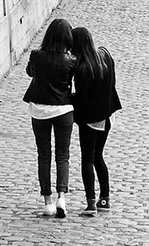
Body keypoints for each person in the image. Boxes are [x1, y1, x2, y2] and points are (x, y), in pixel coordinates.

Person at [23, 18, 79, 218]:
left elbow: (30, 72)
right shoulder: (71, 60)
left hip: (39, 109)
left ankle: (47, 202)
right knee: (63, 155)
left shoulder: (37, 55)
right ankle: (61, 197)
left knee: (44, 155)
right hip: (63, 110)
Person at [68, 26, 121, 213]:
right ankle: (104, 199)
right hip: (108, 115)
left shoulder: (83, 70)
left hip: (91, 119)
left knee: (87, 159)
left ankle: (91, 203)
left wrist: (68, 97)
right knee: (99, 156)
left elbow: (81, 100)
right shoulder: (105, 55)